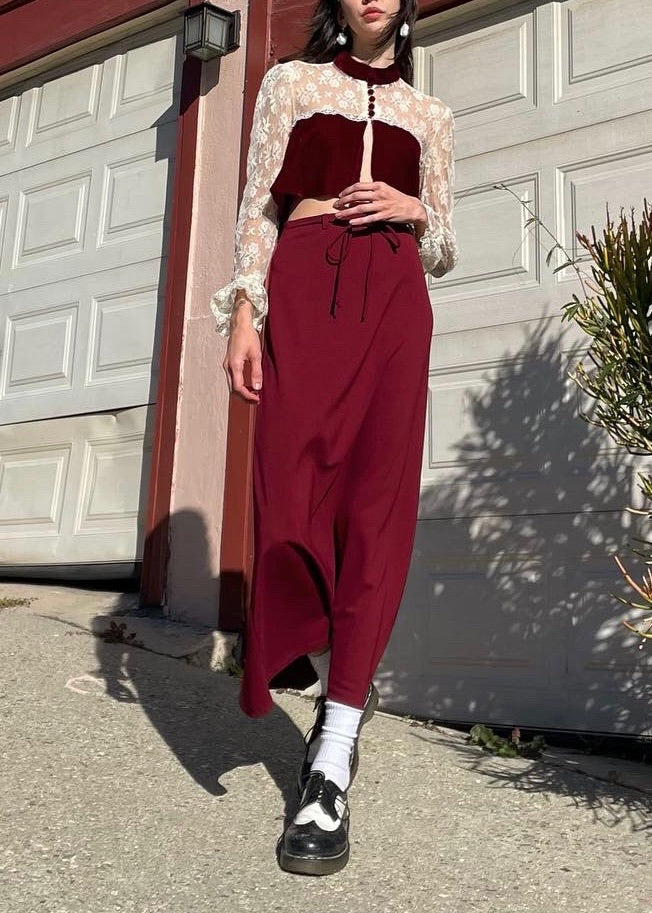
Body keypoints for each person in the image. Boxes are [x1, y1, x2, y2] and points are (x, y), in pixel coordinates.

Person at [210, 0, 457, 877]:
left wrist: (415, 208)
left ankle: (332, 754)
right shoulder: (290, 82)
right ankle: (312, 649)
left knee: (378, 515)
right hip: (304, 285)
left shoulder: (432, 115)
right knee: (286, 501)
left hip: (394, 298)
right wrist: (245, 310)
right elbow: (256, 205)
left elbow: (447, 240)